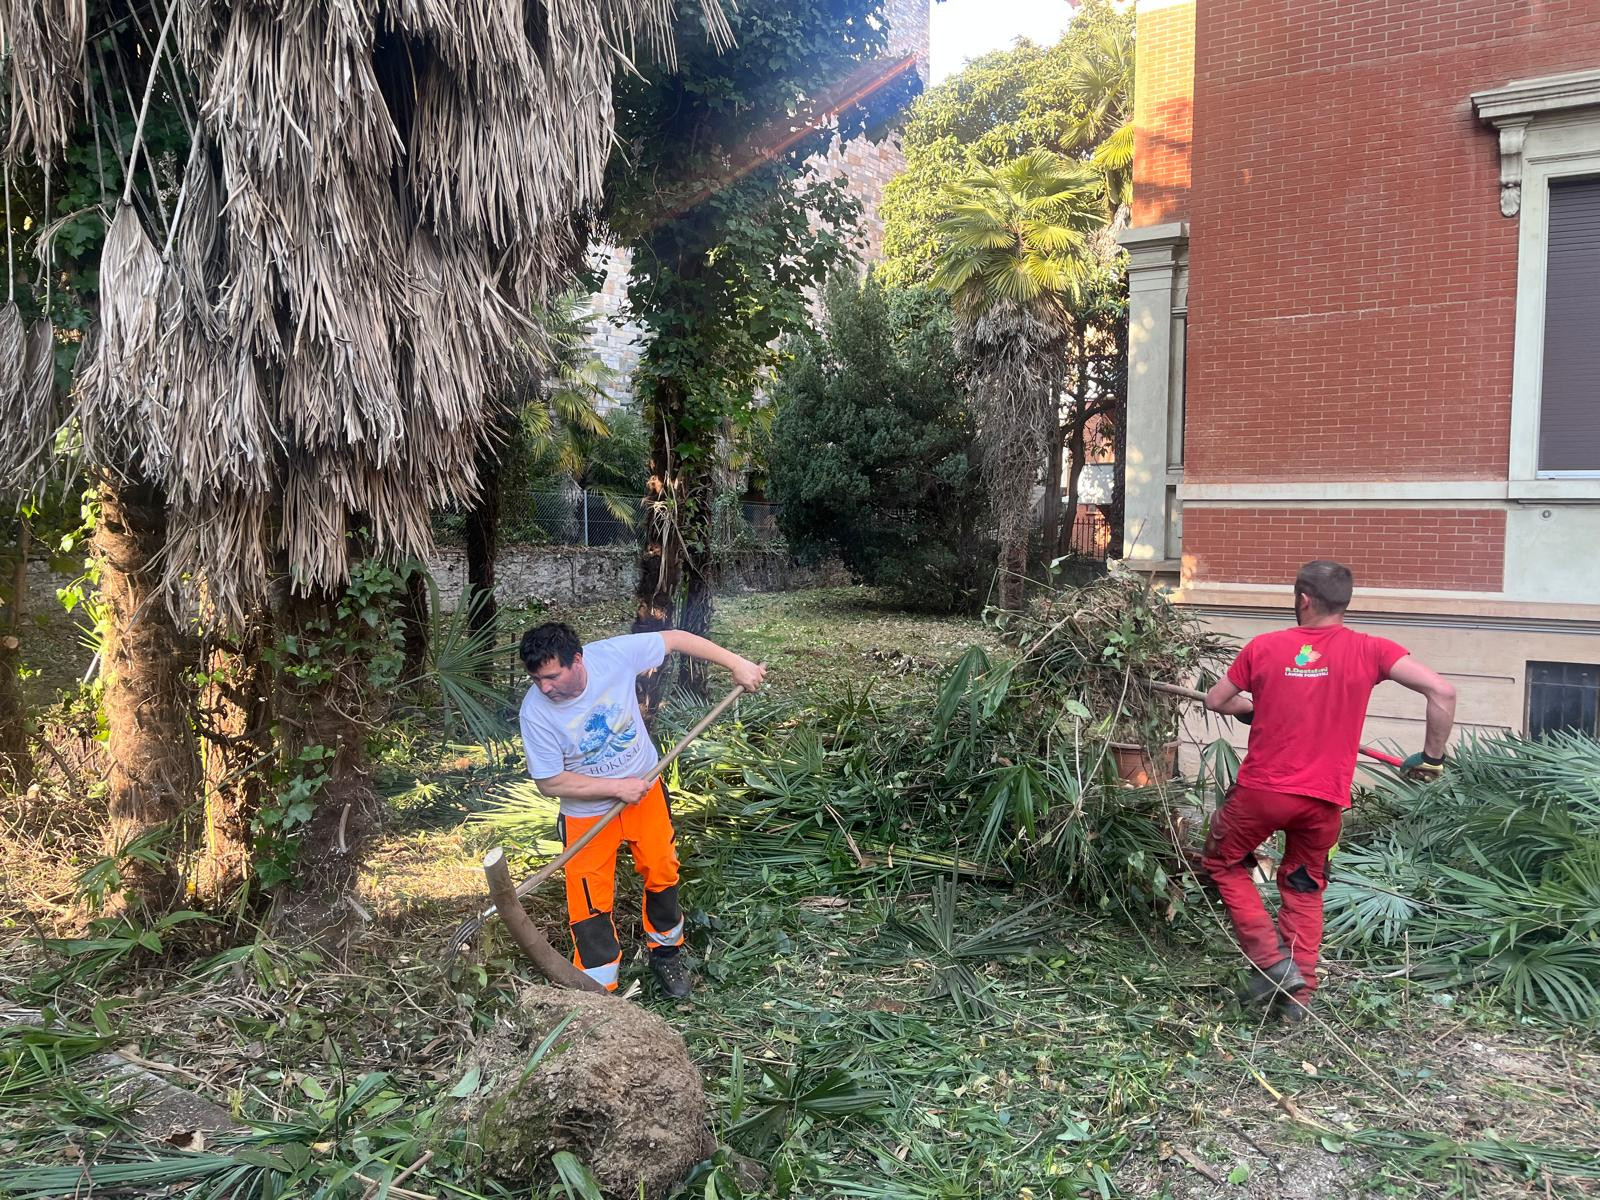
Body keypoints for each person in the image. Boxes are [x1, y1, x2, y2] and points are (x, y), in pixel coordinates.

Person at [1201, 560, 1456, 1021]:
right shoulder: (1373, 649)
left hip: (1264, 791)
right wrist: (1432, 759)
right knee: (1303, 885)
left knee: (1223, 861)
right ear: (1344, 601)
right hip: (1324, 801)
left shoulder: (1265, 647)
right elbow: (1442, 692)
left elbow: (1217, 700)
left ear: (1302, 599)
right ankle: (1299, 997)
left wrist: (1249, 710)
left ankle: (1274, 964)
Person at [517, 622, 766, 999]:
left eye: (552, 677)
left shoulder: (612, 657)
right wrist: (616, 787)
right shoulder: (536, 712)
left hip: (645, 792)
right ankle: (599, 987)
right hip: (587, 814)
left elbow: (677, 639)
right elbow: (549, 782)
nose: (545, 687)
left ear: (578, 661)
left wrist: (737, 663)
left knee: (662, 870)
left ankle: (666, 953)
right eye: (537, 680)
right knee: (588, 899)